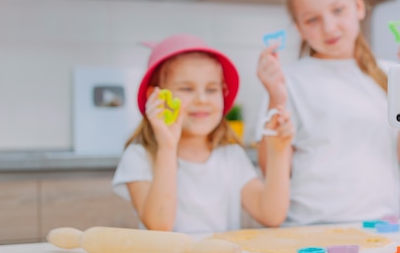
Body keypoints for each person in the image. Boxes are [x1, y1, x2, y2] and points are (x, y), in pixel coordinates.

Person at [255, 0, 400, 226]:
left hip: (380, 228)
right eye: (312, 19)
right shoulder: (288, 81)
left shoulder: (395, 75)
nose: (329, 27)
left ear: (358, 6)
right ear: (299, 29)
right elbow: (272, 171)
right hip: (309, 231)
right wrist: (275, 99)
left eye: (338, 10)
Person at [113, 34, 293, 233]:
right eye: (186, 88)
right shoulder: (139, 157)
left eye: (211, 89)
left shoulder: (231, 156)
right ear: (155, 97)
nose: (202, 99)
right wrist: (167, 147)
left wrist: (278, 153)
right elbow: (159, 225)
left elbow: (271, 215)